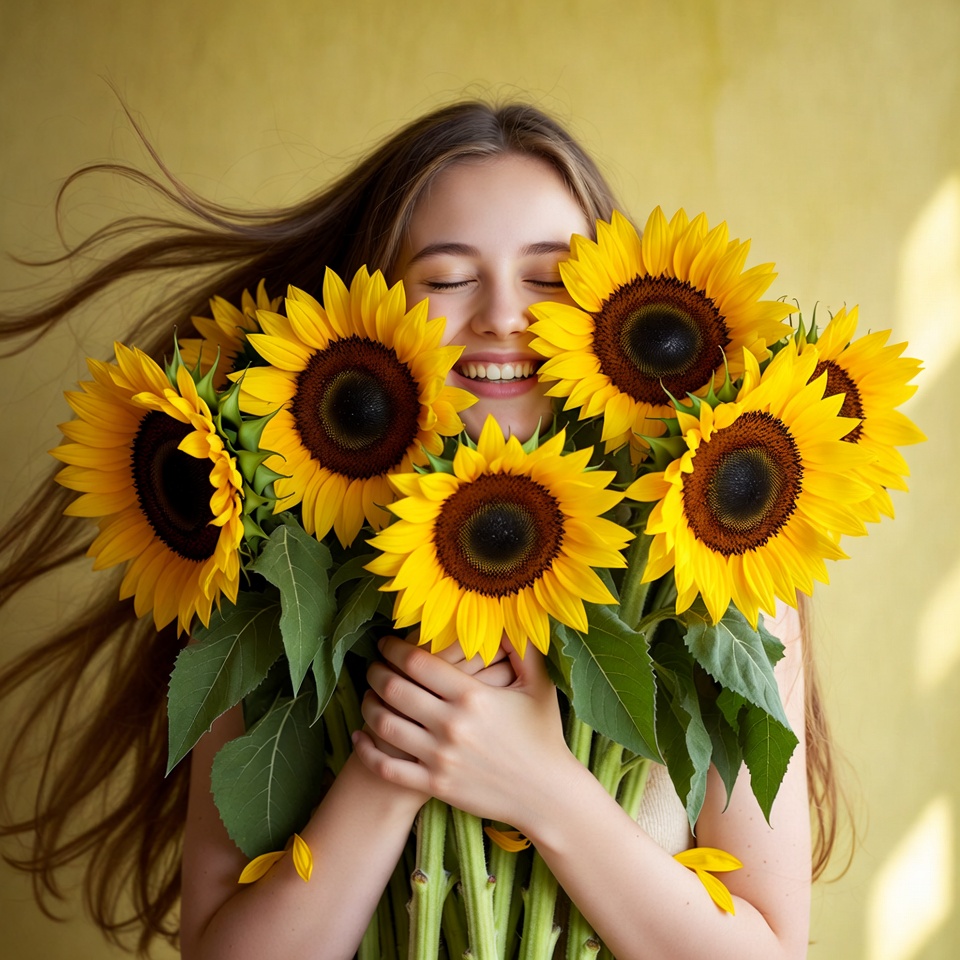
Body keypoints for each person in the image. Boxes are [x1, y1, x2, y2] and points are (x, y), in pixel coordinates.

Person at [0, 100, 842, 960]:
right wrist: (389, 761)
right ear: (371, 309)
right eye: (446, 279)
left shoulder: (716, 561)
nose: (505, 315)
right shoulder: (268, 574)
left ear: (624, 303)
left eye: (552, 275)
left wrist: (546, 791)